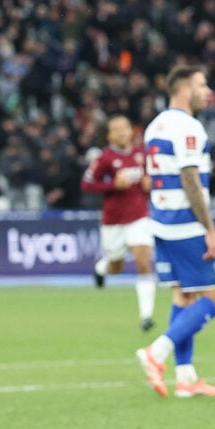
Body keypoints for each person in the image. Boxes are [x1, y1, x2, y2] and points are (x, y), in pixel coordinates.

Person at [134, 65, 215, 399]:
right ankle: (156, 353)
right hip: (186, 223)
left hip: (161, 221)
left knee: (184, 296)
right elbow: (190, 180)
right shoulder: (188, 127)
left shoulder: (154, 125)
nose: (208, 91)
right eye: (202, 84)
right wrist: (209, 229)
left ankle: (186, 378)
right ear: (184, 89)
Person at [80, 115, 157, 331]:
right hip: (113, 221)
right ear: (109, 135)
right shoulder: (105, 158)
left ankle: (146, 316)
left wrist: (151, 184)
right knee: (116, 265)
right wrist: (112, 184)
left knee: (143, 261)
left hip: (139, 217)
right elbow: (86, 184)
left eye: (125, 127)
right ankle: (101, 268)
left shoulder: (143, 154)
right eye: (117, 129)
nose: (122, 132)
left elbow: (154, 179)